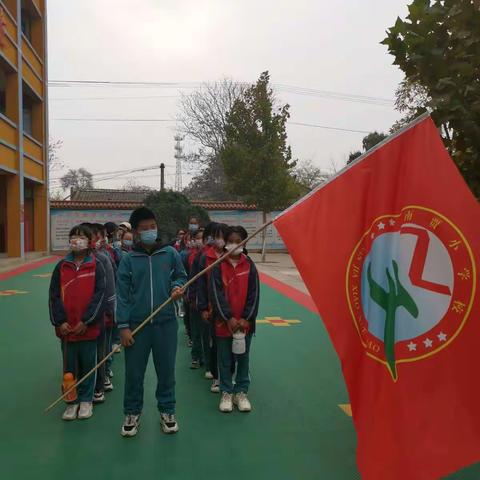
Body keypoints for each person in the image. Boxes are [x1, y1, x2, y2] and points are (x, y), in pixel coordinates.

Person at [116, 207, 187, 437]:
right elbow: (123, 296)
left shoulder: (169, 253)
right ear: (136, 232)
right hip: (137, 325)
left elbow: (180, 276)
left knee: (166, 371)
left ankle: (167, 410)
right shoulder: (129, 260)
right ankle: (132, 413)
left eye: (152, 227)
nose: (150, 231)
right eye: (144, 228)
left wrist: (177, 287)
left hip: (166, 323)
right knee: (134, 373)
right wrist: (124, 327)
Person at [49, 224, 106, 421]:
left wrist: (87, 321)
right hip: (67, 330)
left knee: (88, 365)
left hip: (87, 329)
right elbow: (54, 296)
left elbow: (100, 296)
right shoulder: (61, 266)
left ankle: (86, 400)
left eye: (81, 237)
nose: (76, 239)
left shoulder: (96, 265)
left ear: (89, 242)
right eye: (73, 236)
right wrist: (60, 321)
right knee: (69, 368)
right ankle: (70, 402)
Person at [209, 226, 260, 413]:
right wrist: (228, 317)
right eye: (230, 241)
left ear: (245, 242)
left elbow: (254, 295)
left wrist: (246, 318)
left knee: (243, 358)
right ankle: (226, 392)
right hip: (224, 324)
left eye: (238, 241)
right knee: (224, 359)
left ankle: (241, 392)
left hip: (244, 325)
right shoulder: (218, 266)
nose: (234, 245)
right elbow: (216, 294)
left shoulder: (250, 266)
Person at [197, 223, 229, 393]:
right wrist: (202, 307)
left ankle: (230, 373)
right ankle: (217, 377)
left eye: (223, 236)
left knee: (231, 345)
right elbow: (201, 284)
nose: (220, 240)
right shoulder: (205, 257)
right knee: (215, 343)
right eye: (217, 236)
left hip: (229, 308)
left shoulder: (231, 255)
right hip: (211, 308)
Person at [87, 223, 117, 401]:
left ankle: (101, 379)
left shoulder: (103, 258)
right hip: (79, 318)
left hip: (101, 314)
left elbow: (110, 287)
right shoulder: (67, 263)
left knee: (101, 349)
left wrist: (110, 309)